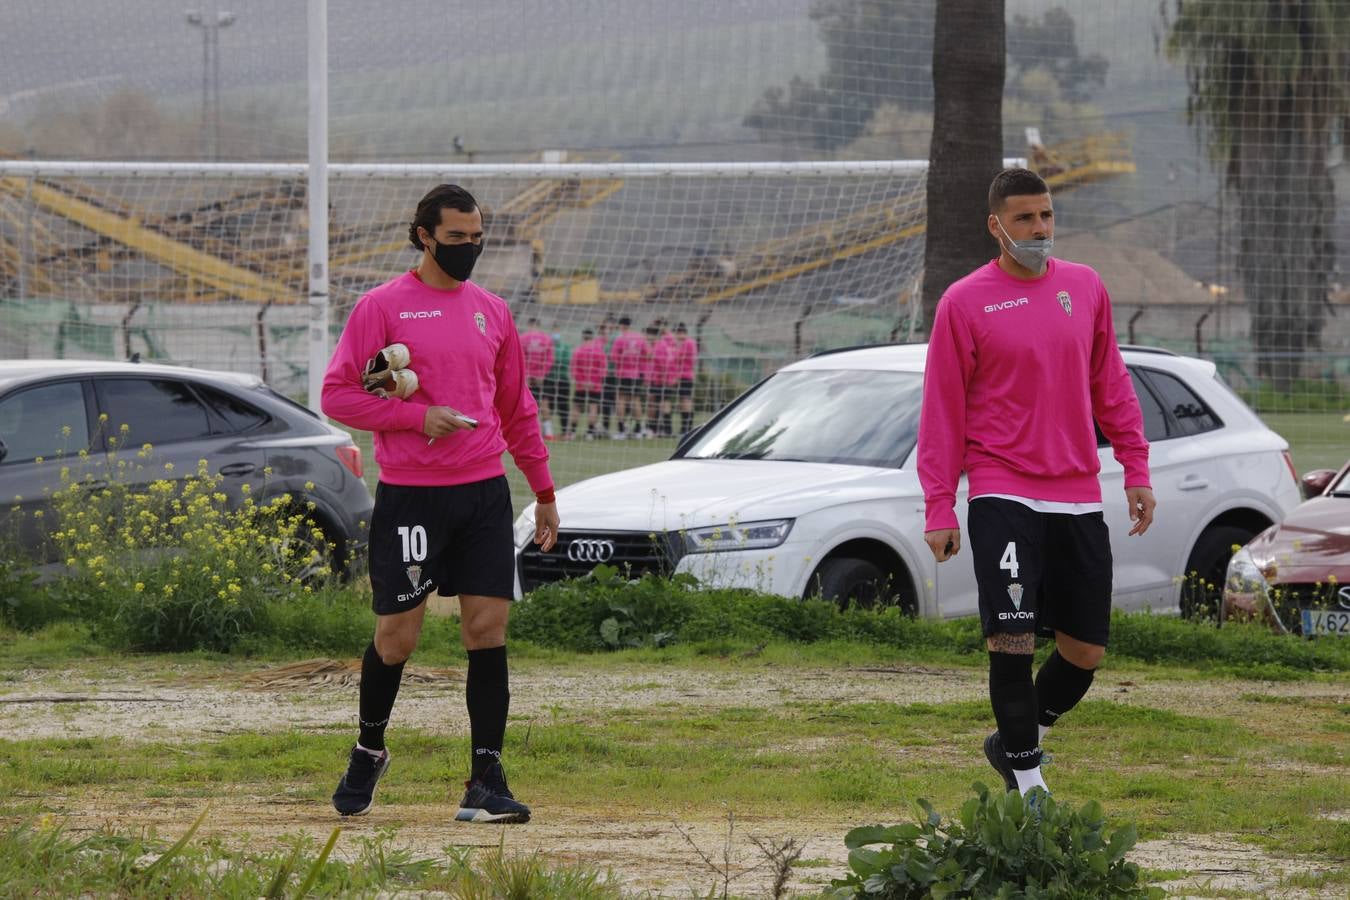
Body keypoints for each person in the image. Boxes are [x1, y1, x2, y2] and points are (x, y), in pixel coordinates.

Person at [321, 183, 560, 824]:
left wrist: (543, 492)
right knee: (397, 640)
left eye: (478, 238)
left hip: (484, 492)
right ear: (425, 235)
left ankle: (485, 781)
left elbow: (517, 408)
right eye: (457, 238)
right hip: (413, 499)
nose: (470, 249)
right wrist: (417, 417)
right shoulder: (381, 307)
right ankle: (369, 749)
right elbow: (338, 396)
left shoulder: (493, 311)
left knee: (487, 632)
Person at [917, 167, 1155, 805]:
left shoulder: (1085, 287)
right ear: (995, 225)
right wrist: (940, 504)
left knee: (1085, 652)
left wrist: (1136, 466)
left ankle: (1017, 735)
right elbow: (941, 411)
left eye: (1046, 215)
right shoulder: (963, 302)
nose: (1040, 229)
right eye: (1025, 219)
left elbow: (1111, 385)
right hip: (1002, 488)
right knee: (1012, 636)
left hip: (1076, 488)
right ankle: (1028, 780)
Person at [609, 315, 648, 439]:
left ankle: (622, 430)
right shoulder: (640, 337)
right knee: (635, 400)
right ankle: (638, 429)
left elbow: (613, 357)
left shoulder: (620, 339)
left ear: (621, 326)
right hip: (636, 374)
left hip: (622, 374)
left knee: (621, 400)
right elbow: (647, 354)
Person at [519, 318, 555, 439]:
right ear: (539, 325)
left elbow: (520, 358)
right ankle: (548, 432)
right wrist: (542, 373)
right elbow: (550, 359)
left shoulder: (523, 338)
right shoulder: (546, 339)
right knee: (545, 404)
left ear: (529, 324)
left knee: (528, 406)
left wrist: (527, 375)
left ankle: (531, 433)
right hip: (542, 378)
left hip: (527, 378)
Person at [570, 327, 608, 439]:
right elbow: (603, 369)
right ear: (592, 337)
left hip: (581, 385)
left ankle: (572, 433)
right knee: (593, 407)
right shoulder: (599, 350)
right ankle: (590, 433)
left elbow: (574, 369)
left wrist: (582, 381)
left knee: (576, 407)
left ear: (583, 337)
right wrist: (593, 381)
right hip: (595, 385)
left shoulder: (578, 350)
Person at [646, 322, 676, 436]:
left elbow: (663, 364)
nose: (646, 338)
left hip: (661, 380)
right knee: (659, 403)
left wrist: (664, 379)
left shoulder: (659, 346)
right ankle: (661, 429)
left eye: (648, 335)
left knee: (659, 403)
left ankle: (657, 429)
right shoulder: (661, 345)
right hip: (661, 379)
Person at [542, 332, 572, 439]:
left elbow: (566, 361)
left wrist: (553, 361)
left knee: (563, 406)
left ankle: (565, 432)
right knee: (547, 405)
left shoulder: (565, 347)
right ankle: (547, 431)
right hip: (549, 379)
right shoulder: (547, 346)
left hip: (562, 380)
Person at [673, 322, 698, 433]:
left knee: (685, 400)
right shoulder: (687, 342)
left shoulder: (688, 343)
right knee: (683, 400)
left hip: (685, 375)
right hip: (683, 375)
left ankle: (687, 427)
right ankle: (685, 426)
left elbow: (683, 358)